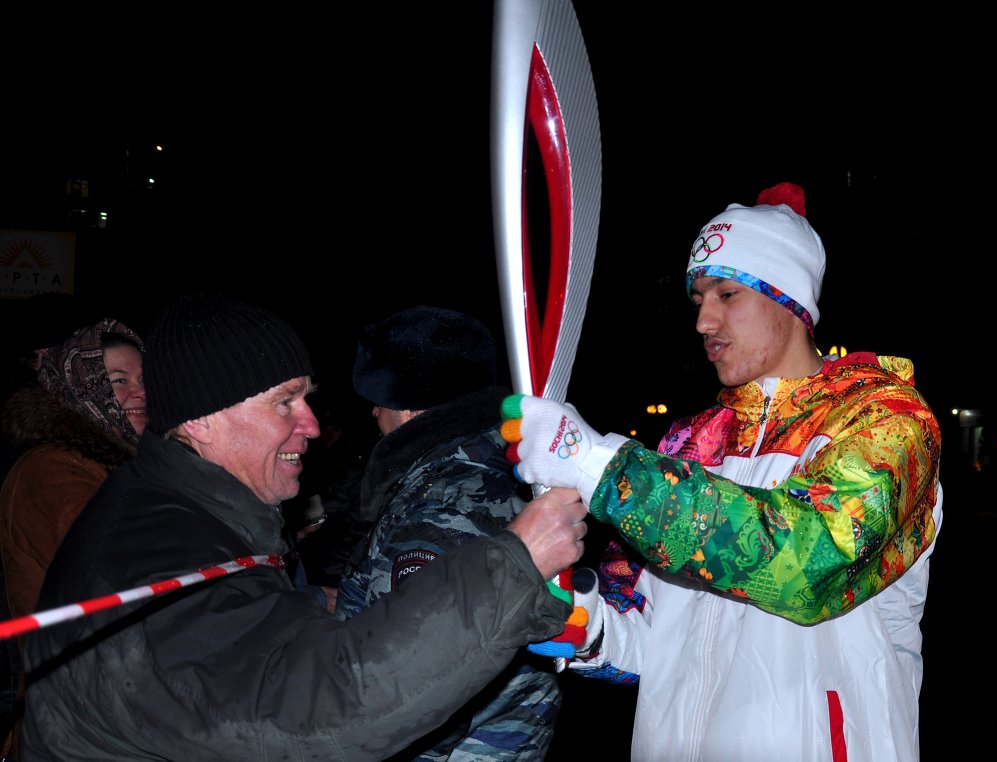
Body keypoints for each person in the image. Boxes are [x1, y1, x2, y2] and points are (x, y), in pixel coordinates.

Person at [17, 293, 588, 761]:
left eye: (306, 399)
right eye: (283, 403)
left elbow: (232, 637)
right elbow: (322, 711)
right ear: (202, 421)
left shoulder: (187, 510)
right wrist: (515, 562)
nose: (314, 426)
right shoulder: (153, 551)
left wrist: (317, 603)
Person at [501, 182, 945, 761]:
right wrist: (587, 627)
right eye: (698, 300)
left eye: (727, 294)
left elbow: (802, 565)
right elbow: (655, 639)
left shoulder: (886, 420)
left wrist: (600, 467)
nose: (703, 321)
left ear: (789, 301)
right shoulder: (690, 441)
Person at [336, 305, 564, 761]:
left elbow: (418, 683)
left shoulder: (441, 500)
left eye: (379, 399)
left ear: (407, 406)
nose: (375, 412)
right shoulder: (504, 463)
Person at [1, 318, 145, 624]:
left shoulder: (135, 460)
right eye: (119, 380)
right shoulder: (51, 469)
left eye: (144, 380)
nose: (140, 392)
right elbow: (111, 577)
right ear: (83, 384)